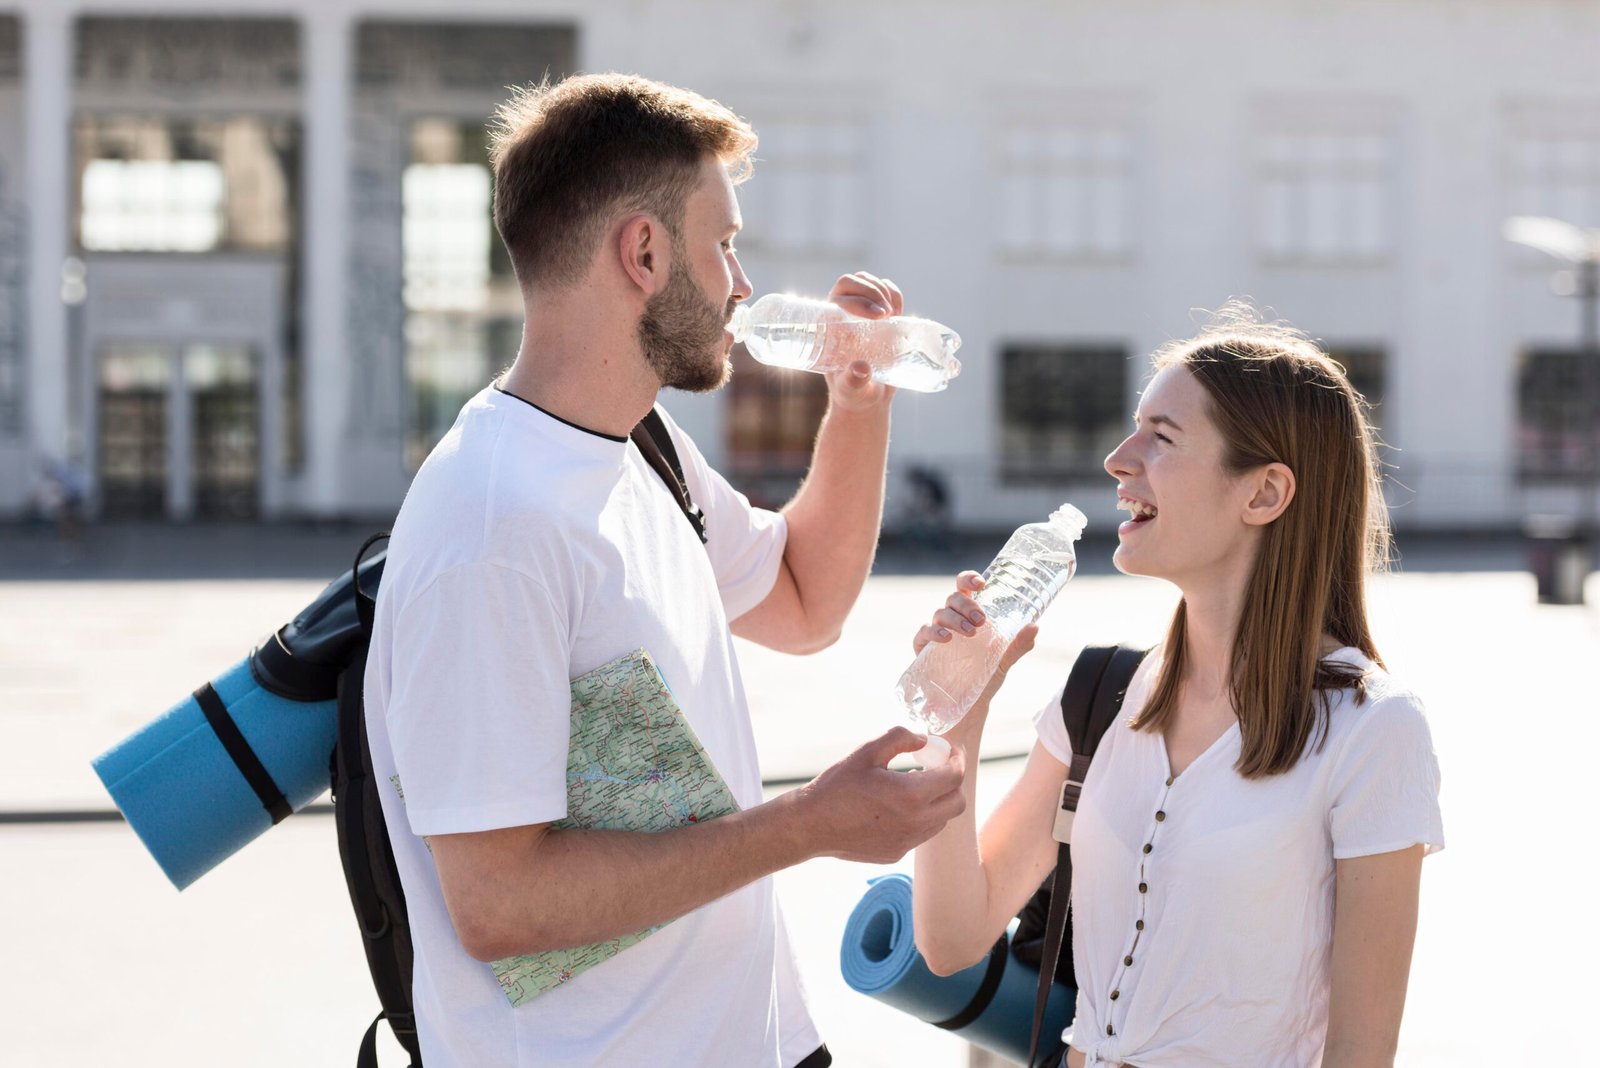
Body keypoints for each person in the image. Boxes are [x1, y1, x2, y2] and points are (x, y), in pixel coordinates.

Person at [362, 73, 967, 1067]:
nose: (740, 283)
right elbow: (500, 905)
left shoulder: (639, 446)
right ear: (642, 252)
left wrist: (857, 402)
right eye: (722, 244)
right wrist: (809, 824)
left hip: (759, 1041)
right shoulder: (491, 529)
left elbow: (805, 601)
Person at [910, 305, 1444, 1067]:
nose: (1118, 460)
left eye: (1161, 438)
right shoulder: (1100, 696)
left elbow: (1360, 1054)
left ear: (1264, 494)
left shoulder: (1372, 729)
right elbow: (952, 938)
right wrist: (956, 716)